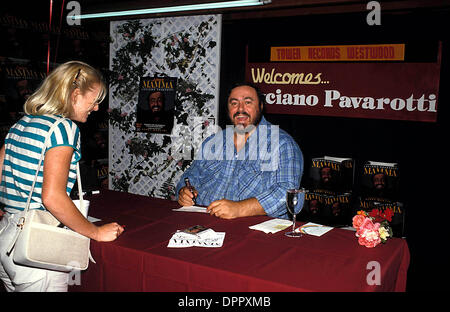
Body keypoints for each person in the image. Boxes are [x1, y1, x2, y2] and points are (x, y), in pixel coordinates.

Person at [0, 61, 124, 292]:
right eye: (94, 100)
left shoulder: (21, 124)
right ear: (75, 94)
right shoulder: (62, 128)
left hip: (7, 237)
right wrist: (95, 232)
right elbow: (53, 198)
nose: (96, 108)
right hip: (36, 244)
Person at [176, 83, 303, 219]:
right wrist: (184, 191)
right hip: (202, 222)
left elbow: (286, 194)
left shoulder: (281, 144)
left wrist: (239, 208)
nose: (240, 109)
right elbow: (190, 175)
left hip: (252, 231)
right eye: (234, 103)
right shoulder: (213, 142)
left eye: (248, 102)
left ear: (260, 106)